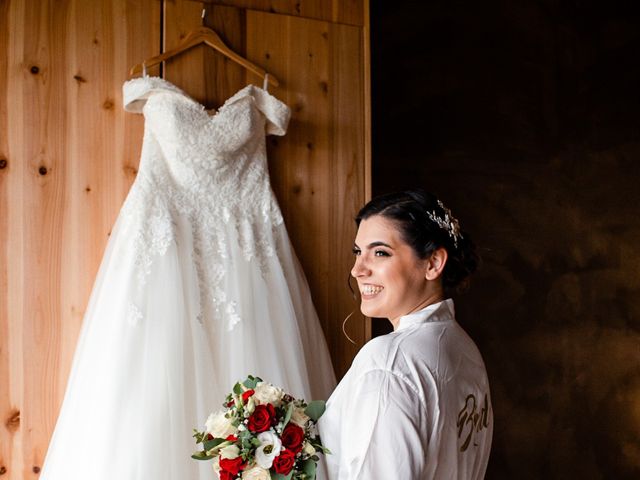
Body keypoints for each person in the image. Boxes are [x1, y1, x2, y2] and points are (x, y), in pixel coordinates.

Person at [318, 189, 493, 479]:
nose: (357, 269)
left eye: (380, 253)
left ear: (433, 263)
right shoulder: (465, 348)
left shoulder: (388, 360)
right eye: (358, 252)